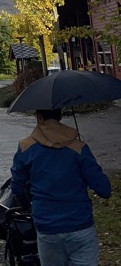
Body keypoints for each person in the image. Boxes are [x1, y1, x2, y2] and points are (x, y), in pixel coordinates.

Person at [10, 109, 112, 265]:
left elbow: (17, 186)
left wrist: (26, 203)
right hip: (80, 225)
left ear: (39, 118)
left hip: (47, 227)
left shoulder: (25, 147)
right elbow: (104, 190)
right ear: (60, 116)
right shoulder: (78, 148)